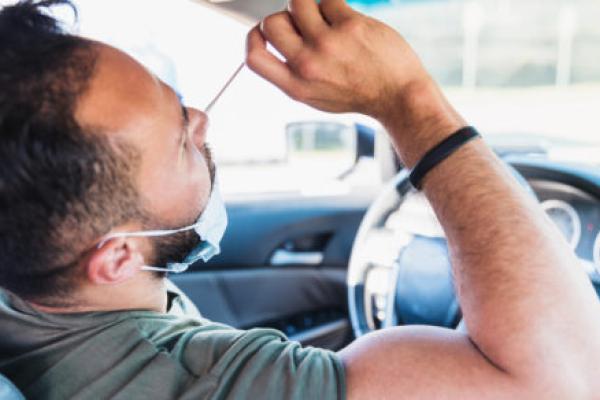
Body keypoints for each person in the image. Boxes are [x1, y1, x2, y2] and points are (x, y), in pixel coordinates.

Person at [0, 0, 599, 399]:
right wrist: (411, 104)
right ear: (116, 259)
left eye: (182, 103)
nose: (202, 121)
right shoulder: (195, 383)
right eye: (180, 138)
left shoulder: (31, 283)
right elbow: (563, 379)